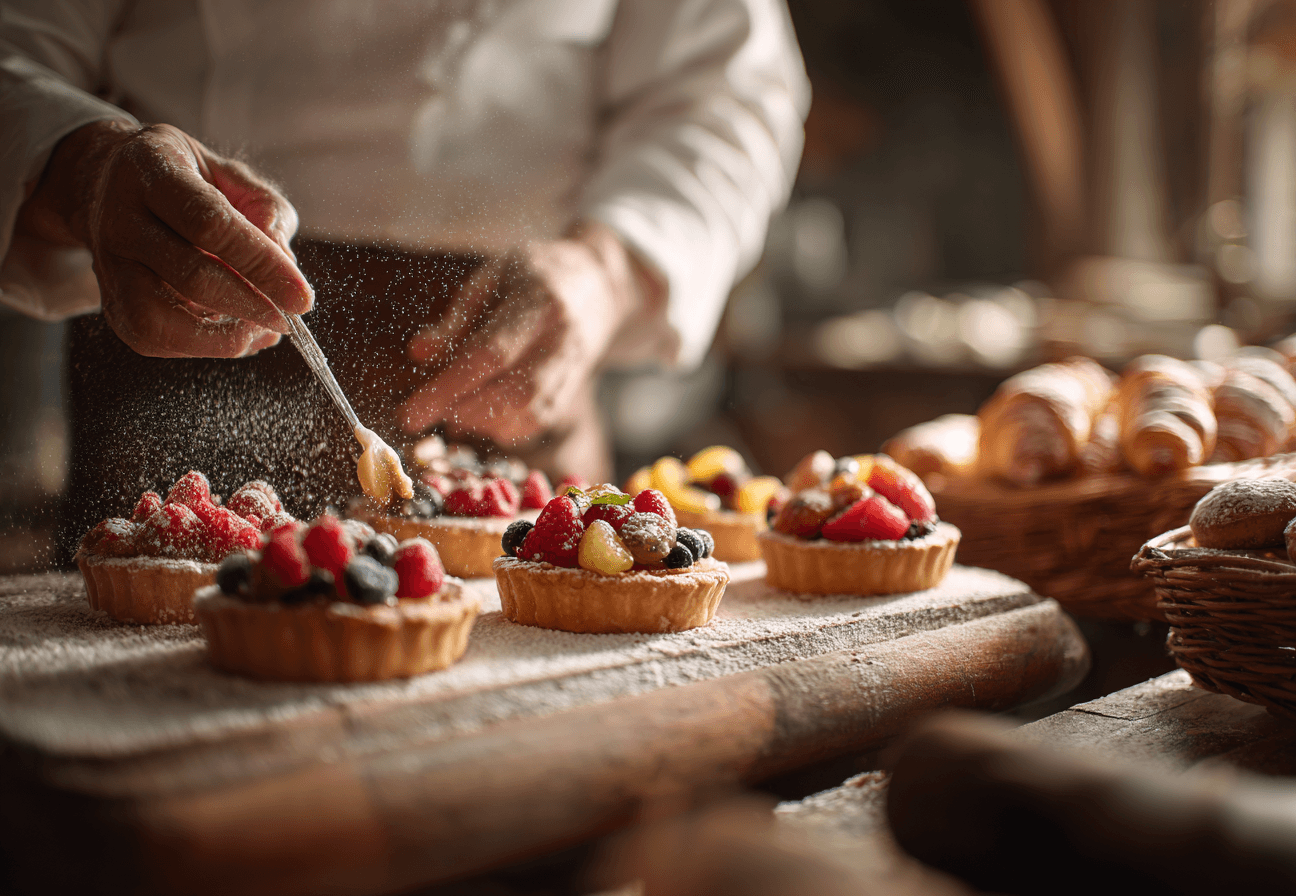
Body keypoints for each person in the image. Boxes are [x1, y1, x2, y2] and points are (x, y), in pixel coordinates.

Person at [0, 1, 808, 545]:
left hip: (520, 367)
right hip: (177, 332)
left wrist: (604, 270)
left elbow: (730, 91)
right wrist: (86, 166)